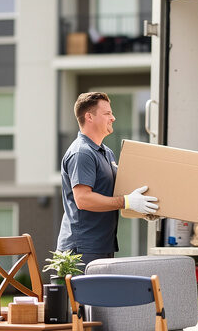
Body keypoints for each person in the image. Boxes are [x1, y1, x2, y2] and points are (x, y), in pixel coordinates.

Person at [57, 91, 159, 264]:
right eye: (107, 113)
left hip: (102, 246)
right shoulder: (82, 153)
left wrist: (146, 208)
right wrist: (126, 202)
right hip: (81, 250)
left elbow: (118, 192)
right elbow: (83, 199)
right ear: (89, 117)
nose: (113, 118)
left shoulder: (106, 152)